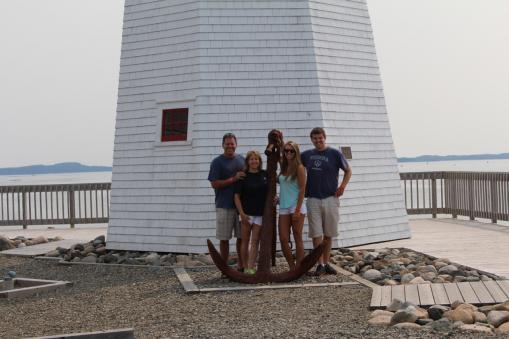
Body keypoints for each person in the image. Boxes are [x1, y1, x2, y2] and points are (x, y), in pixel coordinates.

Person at [301, 127, 352, 276]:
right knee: (316, 234)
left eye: (320, 138)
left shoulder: (335, 153)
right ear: (311, 139)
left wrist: (342, 186)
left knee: (328, 234)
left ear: (325, 137)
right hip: (313, 199)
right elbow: (290, 162)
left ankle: (327, 262)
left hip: (331, 198)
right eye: (315, 138)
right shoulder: (306, 155)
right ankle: (320, 264)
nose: (318, 141)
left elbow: (348, 170)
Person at [208, 133, 245, 271]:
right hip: (224, 205)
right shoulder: (217, 162)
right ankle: (224, 268)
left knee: (241, 237)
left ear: (236, 144)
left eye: (232, 143)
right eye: (227, 143)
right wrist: (233, 179)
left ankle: (241, 265)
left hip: (241, 207)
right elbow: (214, 184)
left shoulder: (242, 160)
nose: (230, 146)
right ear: (223, 145)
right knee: (224, 238)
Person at [234, 150, 267, 275]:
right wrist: (241, 213)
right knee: (245, 241)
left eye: (256, 159)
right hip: (246, 214)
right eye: (251, 159)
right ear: (247, 161)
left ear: (259, 161)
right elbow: (236, 196)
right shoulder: (243, 176)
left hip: (260, 214)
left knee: (255, 241)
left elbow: (271, 191)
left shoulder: (265, 175)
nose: (254, 161)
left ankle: (251, 267)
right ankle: (245, 265)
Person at [277, 141, 306, 270]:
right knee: (283, 238)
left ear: (296, 152)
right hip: (283, 206)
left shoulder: (299, 167)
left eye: (291, 151)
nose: (288, 153)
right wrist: (279, 198)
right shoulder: (283, 167)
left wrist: (298, 210)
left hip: (296, 206)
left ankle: (299, 266)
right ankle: (291, 267)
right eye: (286, 150)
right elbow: (286, 187)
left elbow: (302, 189)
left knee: (297, 235)